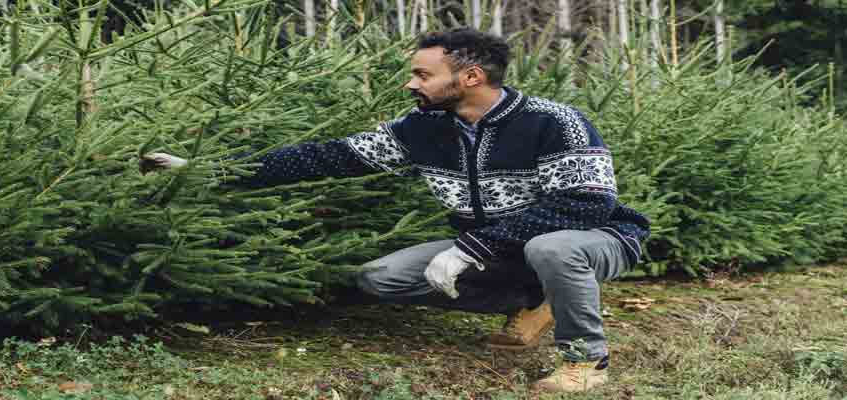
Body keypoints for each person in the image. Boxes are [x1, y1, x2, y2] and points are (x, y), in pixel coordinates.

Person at [141, 28, 650, 393]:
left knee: (552, 248)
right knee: (381, 277)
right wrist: (211, 168)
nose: (412, 84)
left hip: (594, 236)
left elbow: (586, 203)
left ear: (470, 76)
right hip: (495, 248)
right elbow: (329, 156)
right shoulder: (422, 128)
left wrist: (473, 246)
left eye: (422, 75)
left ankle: (584, 361)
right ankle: (532, 302)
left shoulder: (553, 122)